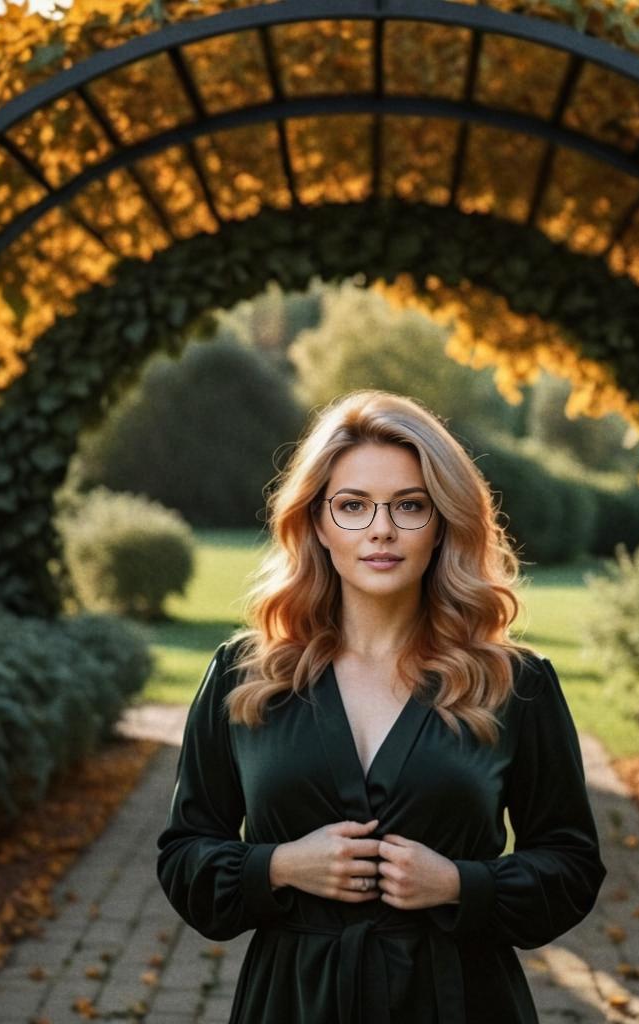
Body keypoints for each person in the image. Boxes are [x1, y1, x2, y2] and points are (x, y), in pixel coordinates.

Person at [156, 389, 607, 1023]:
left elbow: (571, 865)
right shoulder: (245, 676)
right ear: (316, 522)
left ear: (443, 522)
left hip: (460, 1001)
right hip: (292, 1004)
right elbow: (184, 856)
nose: (381, 529)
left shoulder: (514, 684)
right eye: (352, 506)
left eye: (410, 506)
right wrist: (278, 866)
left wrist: (460, 885)